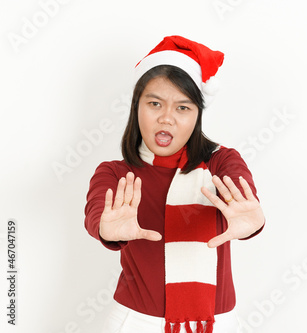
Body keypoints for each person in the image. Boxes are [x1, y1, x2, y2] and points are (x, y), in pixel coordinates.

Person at [84, 35, 265, 333]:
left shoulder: (220, 163)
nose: (167, 118)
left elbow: (240, 187)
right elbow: (96, 213)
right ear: (136, 106)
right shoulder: (115, 173)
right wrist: (106, 228)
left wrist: (250, 217)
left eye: (183, 108)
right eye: (155, 103)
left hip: (215, 325)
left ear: (197, 116)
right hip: (135, 324)